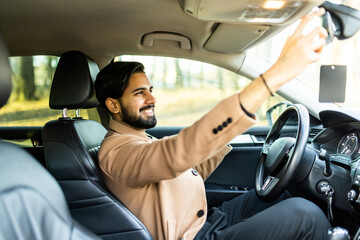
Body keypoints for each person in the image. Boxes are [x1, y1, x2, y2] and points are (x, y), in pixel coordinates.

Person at [94, 9, 331, 240]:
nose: (152, 99)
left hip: (207, 220)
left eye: (150, 90)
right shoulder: (116, 152)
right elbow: (175, 154)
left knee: (283, 194)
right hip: (193, 235)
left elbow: (188, 167)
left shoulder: (138, 139)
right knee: (305, 215)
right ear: (114, 105)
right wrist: (276, 74)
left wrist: (225, 136)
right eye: (139, 93)